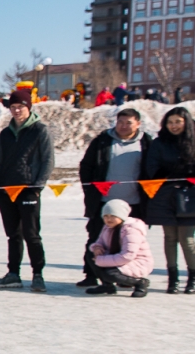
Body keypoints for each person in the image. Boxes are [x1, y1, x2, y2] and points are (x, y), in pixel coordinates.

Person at [76, 107, 151, 289]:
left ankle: (126, 275)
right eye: (120, 122)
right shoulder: (103, 141)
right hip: (104, 202)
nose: (123, 126)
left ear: (138, 124)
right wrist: (92, 191)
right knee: (96, 239)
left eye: (128, 123)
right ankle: (91, 274)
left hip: (134, 202)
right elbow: (86, 166)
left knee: (130, 242)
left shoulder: (147, 143)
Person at [0, 88, 53, 292]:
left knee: (31, 233)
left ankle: (37, 274)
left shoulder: (39, 130)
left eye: (20, 107)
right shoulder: (6, 134)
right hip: (6, 189)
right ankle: (13, 273)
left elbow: (48, 160)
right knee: (13, 234)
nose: (16, 111)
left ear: (28, 108)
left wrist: (37, 186)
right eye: (13, 107)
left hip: (28, 189)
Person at [143, 107, 195, 293]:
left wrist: (186, 173)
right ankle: (172, 278)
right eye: (170, 122)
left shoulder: (193, 142)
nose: (173, 126)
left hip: (189, 196)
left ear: (186, 123)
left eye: (178, 122)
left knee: (187, 239)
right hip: (165, 195)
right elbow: (151, 166)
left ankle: (192, 277)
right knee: (170, 237)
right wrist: (171, 172)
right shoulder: (159, 143)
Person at [85, 199, 153, 297]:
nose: (109, 219)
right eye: (106, 216)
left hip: (137, 262)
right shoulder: (107, 227)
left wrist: (101, 260)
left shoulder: (131, 230)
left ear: (121, 216)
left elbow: (127, 256)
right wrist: (96, 248)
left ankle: (140, 283)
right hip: (116, 258)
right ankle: (107, 285)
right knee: (91, 255)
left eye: (113, 216)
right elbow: (99, 243)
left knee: (110, 273)